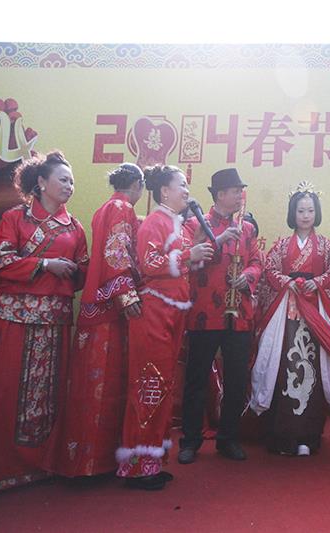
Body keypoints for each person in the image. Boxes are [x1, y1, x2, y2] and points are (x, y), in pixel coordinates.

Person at [0, 151, 88, 494]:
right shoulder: (16, 218)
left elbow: (83, 272)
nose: (69, 186)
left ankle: (43, 466)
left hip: (54, 324)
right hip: (15, 322)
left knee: (48, 396)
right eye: (63, 179)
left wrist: (80, 271)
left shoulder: (75, 227)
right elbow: (0, 263)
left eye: (72, 181)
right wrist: (45, 265)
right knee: (3, 392)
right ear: (41, 182)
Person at [115, 165, 213, 490]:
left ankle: (152, 461)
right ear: (165, 192)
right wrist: (188, 254)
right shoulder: (154, 222)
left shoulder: (178, 225)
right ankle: (136, 468)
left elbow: (180, 264)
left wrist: (195, 254)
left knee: (164, 385)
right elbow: (150, 263)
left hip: (172, 314)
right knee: (149, 386)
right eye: (181, 185)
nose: (186, 191)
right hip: (154, 314)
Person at [54, 163, 145, 478]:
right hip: (109, 309)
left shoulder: (104, 208)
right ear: (137, 185)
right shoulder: (123, 208)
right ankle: (96, 463)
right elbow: (116, 253)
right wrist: (128, 296)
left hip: (95, 305)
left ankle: (78, 460)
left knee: (87, 385)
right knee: (104, 384)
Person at [250, 181, 330, 456]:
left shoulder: (326, 247)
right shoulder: (282, 246)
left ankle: (308, 435)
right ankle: (283, 434)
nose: (305, 216)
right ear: (292, 213)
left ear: (317, 213)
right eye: (301, 211)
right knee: (283, 367)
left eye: (310, 210)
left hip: (315, 315)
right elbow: (269, 271)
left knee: (313, 368)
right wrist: (286, 281)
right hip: (287, 315)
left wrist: (318, 282)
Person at [177, 169, 262, 464]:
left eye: (241, 191)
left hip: (238, 314)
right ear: (220, 194)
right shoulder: (194, 224)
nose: (240, 196)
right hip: (204, 313)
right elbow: (189, 259)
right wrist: (220, 239)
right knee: (196, 379)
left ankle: (229, 438)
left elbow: (257, 261)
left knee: (237, 379)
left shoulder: (247, 228)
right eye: (236, 191)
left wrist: (248, 276)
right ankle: (190, 440)